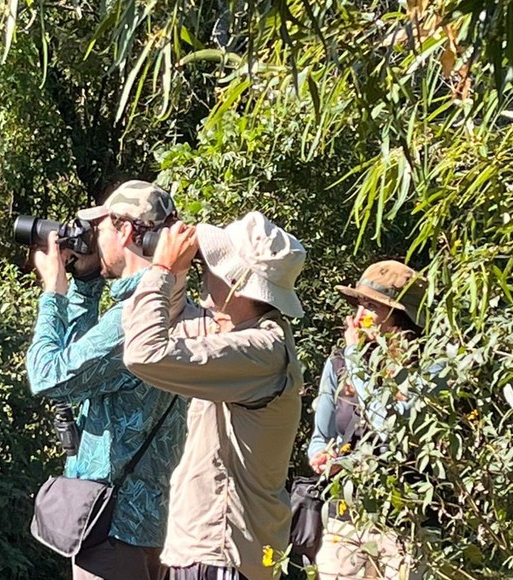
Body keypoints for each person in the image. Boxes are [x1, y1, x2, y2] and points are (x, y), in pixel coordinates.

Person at [121, 212, 307, 580]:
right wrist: (174, 275)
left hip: (222, 554)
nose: (206, 267)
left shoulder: (260, 351)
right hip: (209, 550)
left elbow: (144, 353)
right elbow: (157, 328)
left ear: (236, 281)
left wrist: (162, 269)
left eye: (214, 262)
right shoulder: (241, 336)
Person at [26, 180, 187, 580]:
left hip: (113, 529)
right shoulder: (172, 304)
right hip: (151, 526)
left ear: (126, 231)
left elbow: (49, 376)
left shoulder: (131, 318)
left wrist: (54, 291)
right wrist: (85, 283)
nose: (93, 239)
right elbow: (86, 374)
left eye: (99, 229)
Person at [307, 260, 430, 580]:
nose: (359, 315)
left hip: (403, 518)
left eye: (372, 306)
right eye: (359, 303)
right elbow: (321, 435)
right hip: (345, 517)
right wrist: (322, 457)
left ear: (401, 317)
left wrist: (355, 360)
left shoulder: (425, 370)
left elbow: (390, 426)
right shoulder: (338, 363)